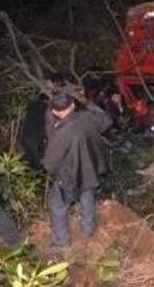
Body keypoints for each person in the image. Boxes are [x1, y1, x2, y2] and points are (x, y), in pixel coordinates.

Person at [42, 92, 112, 248]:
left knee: (57, 206)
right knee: (87, 200)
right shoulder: (88, 117)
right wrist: (88, 103)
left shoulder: (61, 131)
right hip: (91, 171)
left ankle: (62, 242)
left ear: (54, 112)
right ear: (73, 105)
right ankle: (89, 231)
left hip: (69, 176)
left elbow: (49, 163)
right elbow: (107, 120)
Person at [19, 94, 49, 171]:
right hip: (35, 138)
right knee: (37, 159)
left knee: (29, 157)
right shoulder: (43, 109)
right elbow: (42, 126)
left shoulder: (31, 108)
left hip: (26, 136)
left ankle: (29, 175)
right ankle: (37, 174)